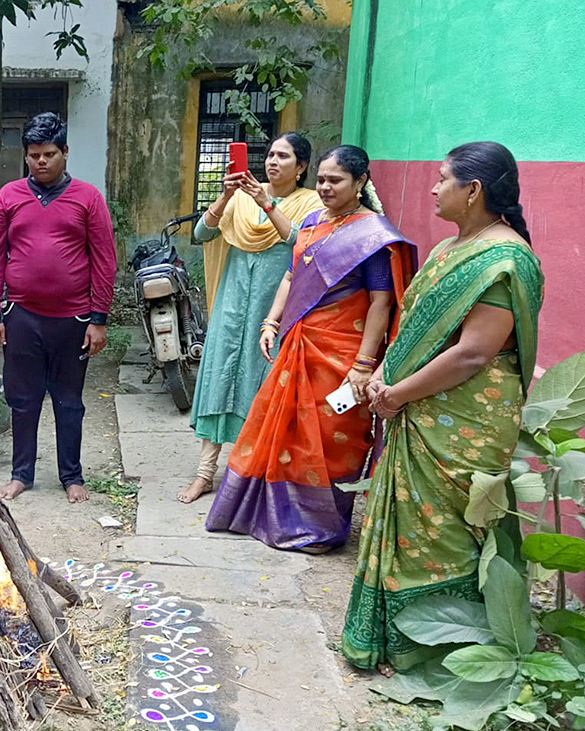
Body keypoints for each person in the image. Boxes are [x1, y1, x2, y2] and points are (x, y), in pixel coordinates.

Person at [343, 141, 544, 674]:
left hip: (466, 417)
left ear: (473, 190)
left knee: (447, 528)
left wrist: (399, 393)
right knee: (408, 520)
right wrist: (384, 374)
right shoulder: (447, 250)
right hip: (418, 403)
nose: (432, 188)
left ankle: (441, 651)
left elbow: (475, 352)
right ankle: (393, 639)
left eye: (442, 179)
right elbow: (413, 330)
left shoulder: (505, 260)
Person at [205, 145, 416, 553]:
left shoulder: (372, 235)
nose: (325, 187)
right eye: (321, 179)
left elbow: (381, 303)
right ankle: (268, 515)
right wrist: (271, 322)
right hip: (298, 345)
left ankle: (321, 528)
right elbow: (290, 276)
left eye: (335, 180)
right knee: (284, 430)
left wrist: (364, 364)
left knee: (331, 438)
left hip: (342, 355)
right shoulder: (314, 221)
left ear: (360, 183)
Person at [178, 132, 322, 503]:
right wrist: (228, 194)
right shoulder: (241, 197)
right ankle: (205, 474)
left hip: (272, 309)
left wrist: (268, 204)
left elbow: (303, 244)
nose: (273, 162)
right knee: (219, 379)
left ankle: (250, 476)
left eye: (283, 156)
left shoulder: (311, 203)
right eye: (270, 155)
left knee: (260, 385)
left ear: (301, 167)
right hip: (231, 301)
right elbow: (201, 233)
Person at [0, 112, 118, 503]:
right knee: (22, 400)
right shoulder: (9, 196)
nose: (41, 161)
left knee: (69, 401)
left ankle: (71, 476)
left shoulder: (88, 197)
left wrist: (99, 318)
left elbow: (103, 259)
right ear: (26, 156)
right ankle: (21, 473)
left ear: (65, 153)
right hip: (21, 315)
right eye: (34, 154)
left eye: (50, 154)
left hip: (73, 319)